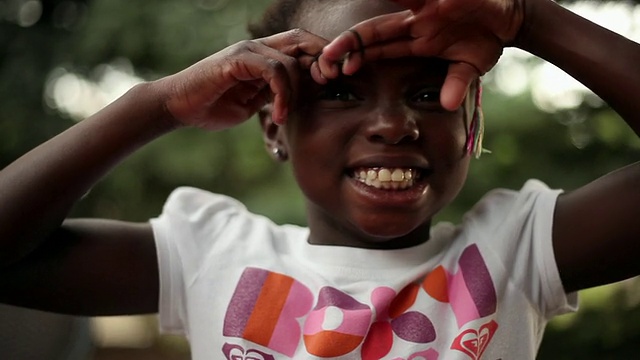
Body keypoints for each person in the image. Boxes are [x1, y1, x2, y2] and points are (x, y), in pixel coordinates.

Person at [0, 0, 638, 358]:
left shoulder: (516, 251)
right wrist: (156, 105)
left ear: (471, 125)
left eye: (425, 90)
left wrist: (527, 19)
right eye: (342, 93)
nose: (393, 125)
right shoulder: (210, 254)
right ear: (274, 127)